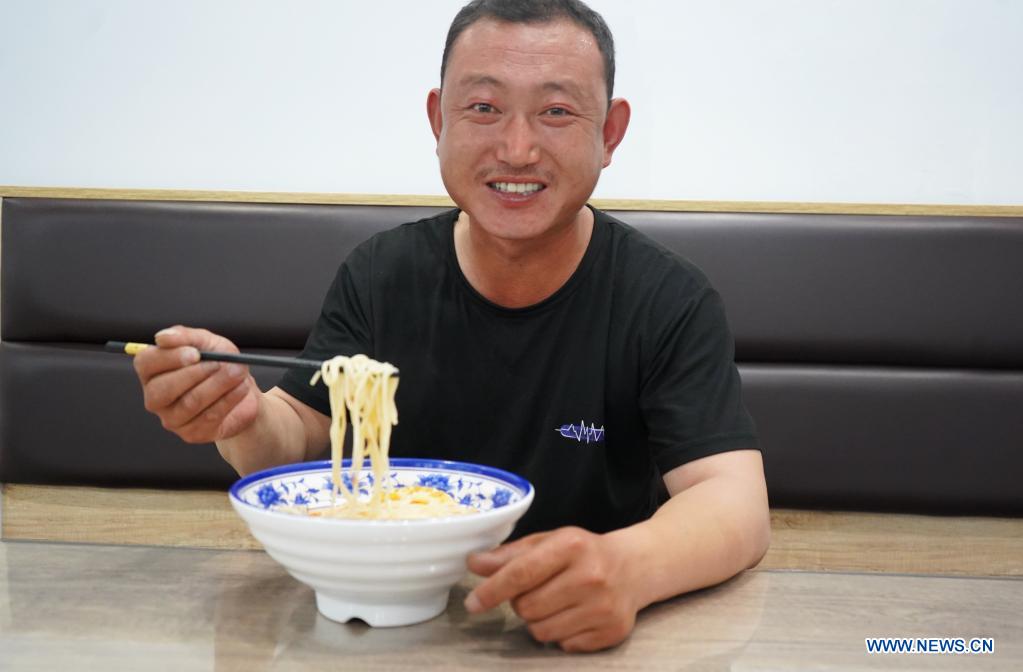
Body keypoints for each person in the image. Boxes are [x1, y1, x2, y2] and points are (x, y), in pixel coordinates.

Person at [132, 0, 770, 653]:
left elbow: (732, 501)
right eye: (484, 108)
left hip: (583, 633)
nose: (517, 148)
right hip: (384, 621)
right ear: (438, 120)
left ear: (609, 132)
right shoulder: (382, 274)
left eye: (554, 111)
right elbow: (298, 438)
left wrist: (629, 568)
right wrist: (238, 416)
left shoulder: (666, 297)